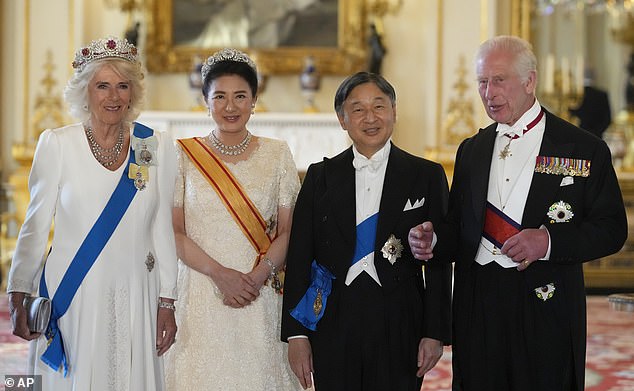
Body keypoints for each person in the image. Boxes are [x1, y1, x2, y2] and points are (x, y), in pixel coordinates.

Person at [409, 35, 628, 390]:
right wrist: (434, 239)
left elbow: (612, 229)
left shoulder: (584, 148)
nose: (488, 92)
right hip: (477, 304)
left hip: (545, 304)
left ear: (530, 81)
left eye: (499, 80)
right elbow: (461, 230)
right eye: (482, 82)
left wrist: (548, 241)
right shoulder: (471, 150)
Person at [7, 36, 178, 390]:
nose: (113, 97)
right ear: (85, 91)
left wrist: (168, 300)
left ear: (133, 93)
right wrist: (18, 292)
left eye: (122, 86)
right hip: (74, 293)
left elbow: (161, 227)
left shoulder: (151, 145)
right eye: (102, 86)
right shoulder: (58, 143)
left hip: (136, 292)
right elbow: (35, 227)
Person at [281, 71, 453, 391]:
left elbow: (439, 260)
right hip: (333, 318)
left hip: (400, 318)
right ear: (342, 119)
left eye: (379, 106)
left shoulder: (425, 175)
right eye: (358, 109)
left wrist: (435, 331)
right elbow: (300, 256)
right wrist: (297, 334)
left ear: (394, 112)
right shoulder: (320, 178)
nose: (370, 118)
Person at [163, 48, 301, 390]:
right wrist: (219, 274)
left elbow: (288, 231)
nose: (230, 107)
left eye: (241, 96)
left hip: (261, 293)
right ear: (205, 101)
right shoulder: (182, 154)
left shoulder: (278, 153)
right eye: (220, 96)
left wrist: (256, 277)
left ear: (254, 100)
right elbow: (175, 233)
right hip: (200, 289)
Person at [569, 69, 612, 139]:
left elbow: (570, 115)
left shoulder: (574, 95)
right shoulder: (602, 95)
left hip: (577, 137)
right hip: (597, 138)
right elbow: (607, 120)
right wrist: (597, 132)